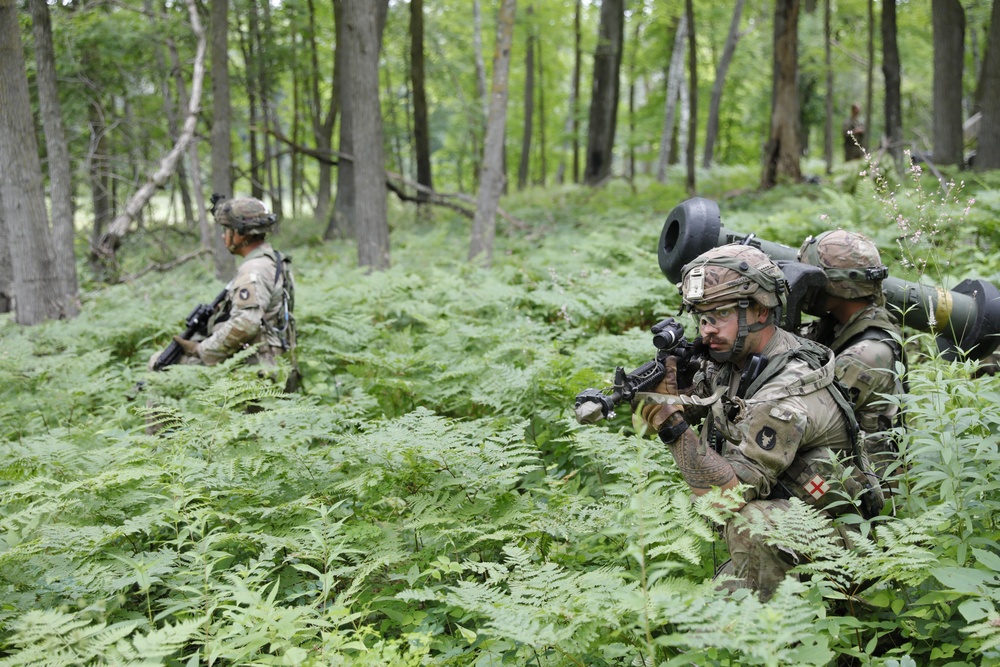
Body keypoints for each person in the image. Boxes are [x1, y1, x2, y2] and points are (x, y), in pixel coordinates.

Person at [633, 244, 883, 601]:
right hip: (797, 518)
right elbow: (644, 431)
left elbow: (723, 500)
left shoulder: (785, 389)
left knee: (749, 523)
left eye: (719, 314)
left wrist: (669, 420)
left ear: (761, 308)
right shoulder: (734, 358)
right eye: (701, 317)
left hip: (846, 540)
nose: (706, 330)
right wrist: (667, 397)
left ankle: (790, 635)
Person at [149, 196, 297, 385]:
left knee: (157, 366)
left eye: (226, 230)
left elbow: (245, 323)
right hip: (276, 357)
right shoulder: (274, 260)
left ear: (240, 234)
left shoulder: (253, 270)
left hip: (258, 363)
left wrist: (203, 349)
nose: (223, 235)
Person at [797, 230, 904, 491]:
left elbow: (806, 420)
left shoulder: (866, 353)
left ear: (834, 285)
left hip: (863, 489)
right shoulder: (841, 326)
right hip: (843, 466)